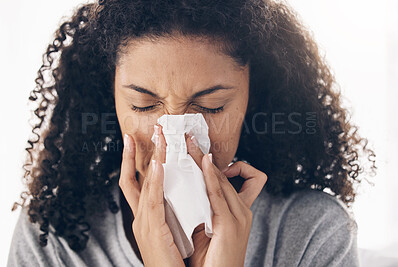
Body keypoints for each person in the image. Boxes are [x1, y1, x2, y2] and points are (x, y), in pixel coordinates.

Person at [8, 0, 376, 266]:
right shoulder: (53, 236)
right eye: (143, 105)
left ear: (255, 99)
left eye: (211, 107)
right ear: (110, 100)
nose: (174, 143)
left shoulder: (313, 233)